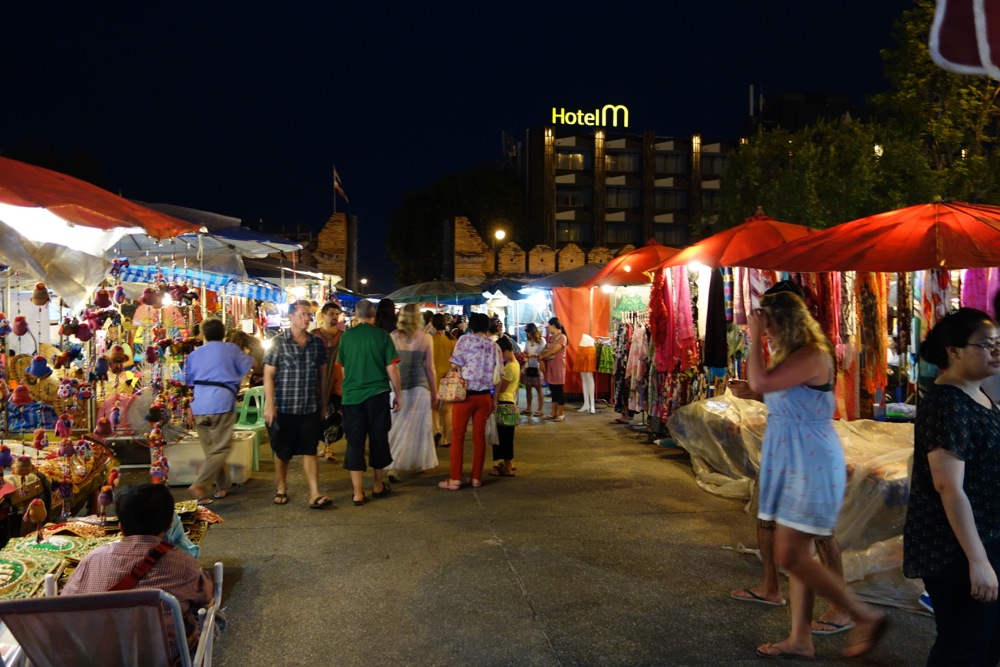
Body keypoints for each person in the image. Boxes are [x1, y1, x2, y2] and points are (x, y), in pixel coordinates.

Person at [747, 290, 885, 660]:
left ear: (785, 322)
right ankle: (800, 638)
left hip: (810, 462)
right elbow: (764, 385)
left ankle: (861, 614)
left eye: (769, 325)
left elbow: (760, 383)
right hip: (793, 458)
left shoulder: (811, 354)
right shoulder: (793, 355)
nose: (766, 332)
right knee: (799, 554)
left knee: (792, 554)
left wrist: (754, 339)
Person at [903, 307, 1000, 665]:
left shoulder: (977, 394)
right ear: (954, 351)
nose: (996, 351)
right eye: (986, 344)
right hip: (954, 549)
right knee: (963, 646)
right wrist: (978, 561)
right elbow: (949, 488)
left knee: (987, 642)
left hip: (985, 536)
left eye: (998, 343)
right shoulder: (947, 403)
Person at [63, 483, 213, 664]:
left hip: (102, 659)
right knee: (208, 615)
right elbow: (205, 596)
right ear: (170, 523)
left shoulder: (93, 559)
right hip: (162, 660)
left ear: (121, 526)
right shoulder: (182, 564)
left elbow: (66, 605)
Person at [263, 299, 332, 509]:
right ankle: (282, 487)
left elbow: (322, 376)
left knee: (310, 449)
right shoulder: (278, 342)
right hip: (284, 406)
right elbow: (268, 375)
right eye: (302, 314)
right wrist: (270, 405)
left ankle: (314, 493)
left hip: (309, 406)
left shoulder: (316, 343)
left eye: (309, 314)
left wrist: (323, 403)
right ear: (291, 316)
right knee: (282, 451)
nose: (306, 318)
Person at [337, 298, 402, 506]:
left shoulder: (346, 337)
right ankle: (377, 485)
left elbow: (343, 369)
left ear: (356, 315)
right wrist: (398, 394)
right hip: (378, 395)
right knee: (378, 439)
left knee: (355, 443)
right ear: (373, 314)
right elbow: (392, 368)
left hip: (352, 397)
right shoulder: (382, 335)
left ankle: (357, 493)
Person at [184, 318, 253, 503]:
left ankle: (222, 485)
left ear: (204, 335)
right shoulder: (231, 349)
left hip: (199, 404)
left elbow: (188, 380)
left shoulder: (194, 355)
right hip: (221, 402)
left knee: (211, 451)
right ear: (224, 333)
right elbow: (249, 365)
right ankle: (200, 484)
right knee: (221, 449)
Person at [439, 312, 502, 490]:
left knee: (458, 436)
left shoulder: (464, 340)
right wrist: (494, 400)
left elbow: (455, 365)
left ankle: (455, 479)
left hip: (464, 396)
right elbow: (498, 377)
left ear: (471, 326)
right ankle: (476, 478)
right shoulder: (494, 346)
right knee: (479, 438)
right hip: (484, 397)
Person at [386, 304, 438, 482]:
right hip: (420, 387)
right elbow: (430, 367)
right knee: (421, 427)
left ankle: (394, 466)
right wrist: (434, 391)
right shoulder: (426, 338)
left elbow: (389, 365)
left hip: (398, 387)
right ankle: (419, 462)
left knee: (397, 427)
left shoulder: (393, 336)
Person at [314, 302, 345, 462]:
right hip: (317, 384)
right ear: (323, 315)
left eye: (337, 314)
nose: (335, 317)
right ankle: (322, 446)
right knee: (319, 417)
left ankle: (329, 448)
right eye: (331, 314)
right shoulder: (313, 336)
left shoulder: (344, 336)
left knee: (335, 418)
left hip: (338, 383)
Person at [490, 335, 520, 477]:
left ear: (506, 351)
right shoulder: (515, 364)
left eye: (500, 353)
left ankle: (507, 468)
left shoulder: (510, 367)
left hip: (504, 404)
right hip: (510, 402)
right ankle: (509, 463)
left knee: (504, 437)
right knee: (506, 436)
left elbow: (501, 388)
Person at [430, 313, 457, 447]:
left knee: (433, 408)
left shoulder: (429, 339)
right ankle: (446, 439)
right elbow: (456, 361)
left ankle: (436, 431)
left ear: (432, 324)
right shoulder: (452, 340)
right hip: (448, 378)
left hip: (432, 378)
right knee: (448, 410)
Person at [539, 317, 568, 422]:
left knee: (558, 390)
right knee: (553, 389)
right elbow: (545, 350)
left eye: (549, 326)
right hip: (550, 366)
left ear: (553, 326)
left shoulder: (562, 337)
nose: (548, 328)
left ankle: (561, 413)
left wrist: (542, 357)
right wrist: (541, 359)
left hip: (558, 366)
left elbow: (553, 351)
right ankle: (553, 412)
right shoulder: (551, 338)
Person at [521, 323, 546, 418]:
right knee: (528, 387)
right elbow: (525, 352)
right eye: (527, 333)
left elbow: (544, 353)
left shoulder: (542, 340)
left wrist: (534, 355)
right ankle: (529, 407)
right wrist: (525, 356)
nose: (528, 334)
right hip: (528, 366)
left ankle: (540, 409)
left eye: (529, 332)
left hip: (537, 366)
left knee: (538, 387)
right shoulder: (527, 341)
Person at [577, 333, 597, 413]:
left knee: (589, 377)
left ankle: (592, 405)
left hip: (589, 347)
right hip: (581, 347)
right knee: (584, 379)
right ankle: (586, 404)